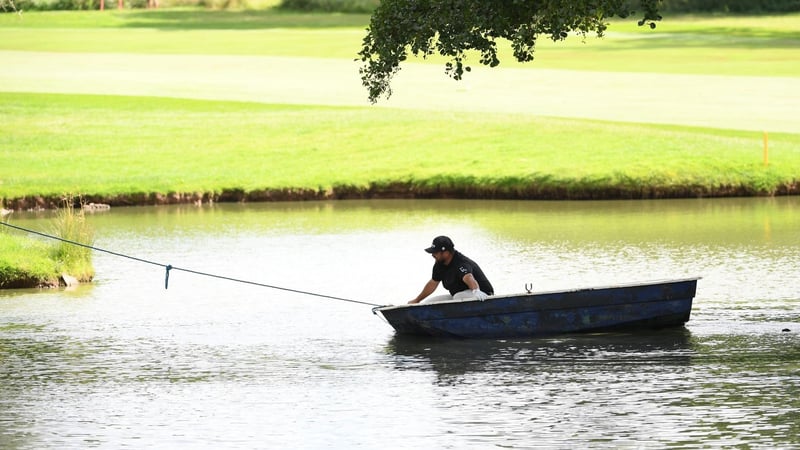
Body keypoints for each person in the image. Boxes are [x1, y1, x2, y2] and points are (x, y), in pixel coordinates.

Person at [408, 236, 494, 304]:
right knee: (428, 303)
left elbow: (468, 277)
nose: (433, 255)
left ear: (446, 252)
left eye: (435, 252)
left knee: (458, 296)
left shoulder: (460, 262)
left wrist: (476, 290)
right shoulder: (439, 264)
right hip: (461, 297)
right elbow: (432, 284)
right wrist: (416, 300)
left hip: (482, 295)